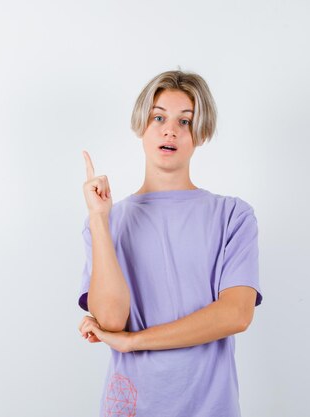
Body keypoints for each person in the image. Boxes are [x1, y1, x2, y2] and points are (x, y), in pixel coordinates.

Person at [77, 69, 263, 417]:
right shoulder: (107, 222)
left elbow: (236, 314)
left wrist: (134, 342)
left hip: (210, 407)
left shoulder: (232, 216)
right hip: (132, 406)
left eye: (185, 121)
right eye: (158, 117)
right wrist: (100, 219)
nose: (170, 130)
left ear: (201, 133)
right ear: (141, 126)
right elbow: (111, 321)